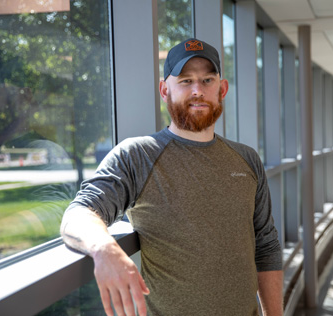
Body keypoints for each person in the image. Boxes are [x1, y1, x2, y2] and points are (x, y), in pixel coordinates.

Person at [60, 38, 283, 316]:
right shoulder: (137, 156)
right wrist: (105, 249)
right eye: (186, 81)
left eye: (207, 80)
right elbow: (79, 212)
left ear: (222, 90)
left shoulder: (247, 159)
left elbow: (266, 245)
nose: (198, 90)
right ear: (165, 90)